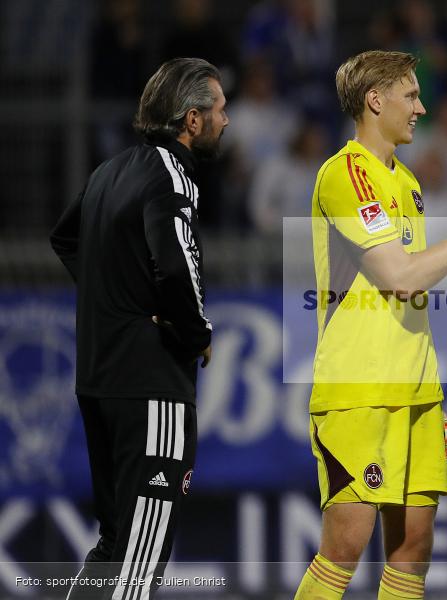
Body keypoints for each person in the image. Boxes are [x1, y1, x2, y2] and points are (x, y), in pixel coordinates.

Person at [295, 50, 447, 600]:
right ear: (375, 100)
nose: (421, 107)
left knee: (413, 547)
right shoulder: (346, 174)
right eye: (411, 95)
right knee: (344, 546)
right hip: (359, 389)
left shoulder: (407, 181)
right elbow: (401, 279)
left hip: (415, 389)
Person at [49, 57, 227, 599]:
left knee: (113, 547)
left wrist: (114, 302)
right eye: (219, 109)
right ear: (191, 121)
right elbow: (175, 265)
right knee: (139, 562)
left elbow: (65, 238)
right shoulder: (172, 175)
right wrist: (197, 335)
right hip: (150, 385)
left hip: (99, 380)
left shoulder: (108, 170)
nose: (226, 119)